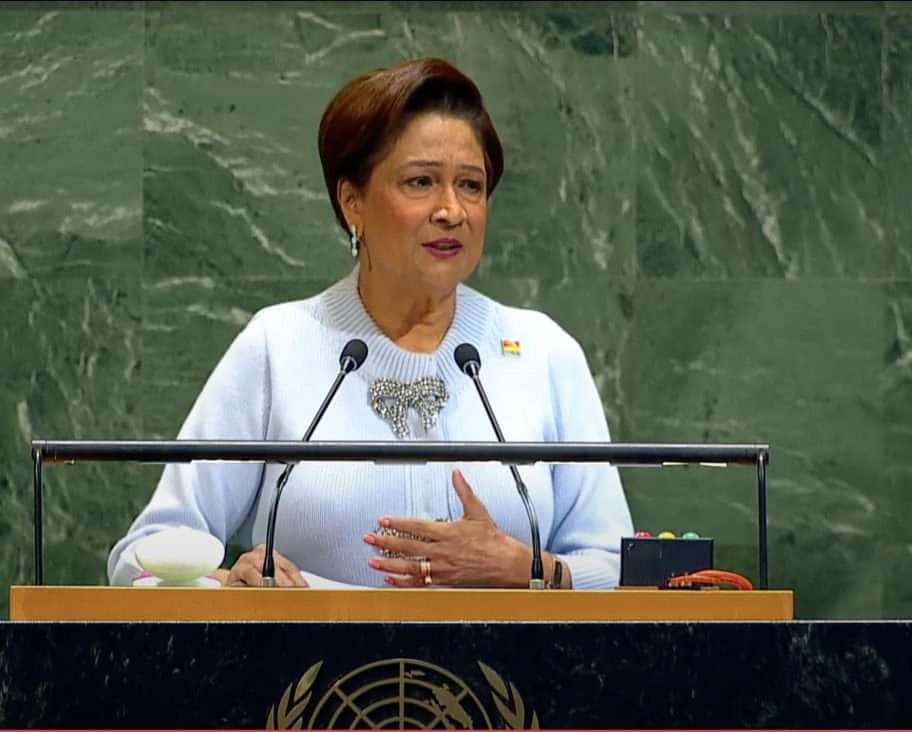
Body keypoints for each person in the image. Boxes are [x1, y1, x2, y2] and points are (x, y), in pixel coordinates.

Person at [108, 57, 633, 589]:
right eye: (421, 182)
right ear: (352, 202)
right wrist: (228, 587)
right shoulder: (279, 346)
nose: (452, 210)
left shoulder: (543, 353)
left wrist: (529, 570)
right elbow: (141, 557)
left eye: (471, 186)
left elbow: (619, 567)